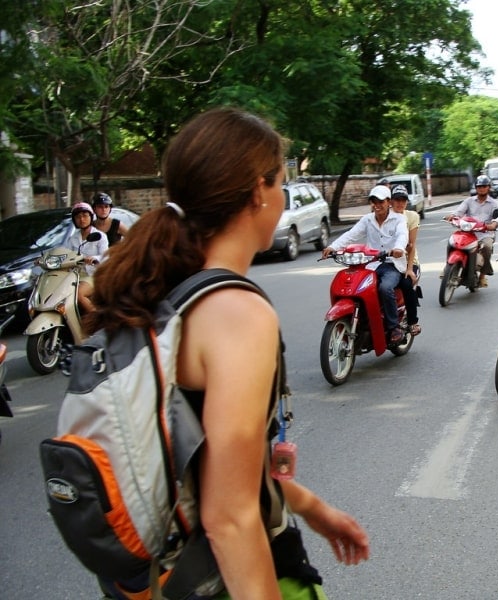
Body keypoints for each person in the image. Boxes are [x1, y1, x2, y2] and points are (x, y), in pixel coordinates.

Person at [85, 107, 369, 599]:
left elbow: (206, 462)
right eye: (280, 182)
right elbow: (229, 517)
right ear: (258, 191)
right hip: (221, 578)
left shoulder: (166, 290)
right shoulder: (236, 313)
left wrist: (311, 507)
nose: (282, 196)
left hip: (158, 577)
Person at [322, 185, 409, 343]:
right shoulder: (367, 220)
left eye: (380, 201)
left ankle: (393, 327)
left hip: (392, 264)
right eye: (374, 201)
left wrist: (398, 248)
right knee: (357, 288)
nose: (377, 205)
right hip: (371, 264)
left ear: (388, 202)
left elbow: (402, 235)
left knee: (385, 287)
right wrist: (333, 247)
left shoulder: (399, 219)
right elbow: (351, 234)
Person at [445, 174, 498, 287]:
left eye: (484, 186)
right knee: (452, 242)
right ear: (476, 188)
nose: (482, 188)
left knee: (487, 247)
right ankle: (447, 268)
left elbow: (496, 220)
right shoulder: (469, 201)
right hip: (468, 232)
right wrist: (452, 216)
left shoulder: (494, 204)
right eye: (479, 186)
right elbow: (459, 212)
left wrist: (493, 224)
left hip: (485, 234)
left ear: (488, 187)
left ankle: (482, 276)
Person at [389, 184, 422, 336]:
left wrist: (409, 269)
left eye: (403, 200)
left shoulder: (412, 216)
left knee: (406, 283)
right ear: (390, 201)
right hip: (388, 262)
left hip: (409, 262)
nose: (400, 203)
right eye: (397, 200)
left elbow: (411, 246)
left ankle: (413, 322)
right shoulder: (385, 216)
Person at [67, 202, 108, 314]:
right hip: (75, 276)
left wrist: (93, 258)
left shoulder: (100, 236)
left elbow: (105, 256)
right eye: (78, 216)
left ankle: (99, 319)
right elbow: (66, 254)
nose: (82, 219)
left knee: (79, 294)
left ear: (91, 217)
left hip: (94, 275)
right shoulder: (73, 238)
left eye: (85, 215)